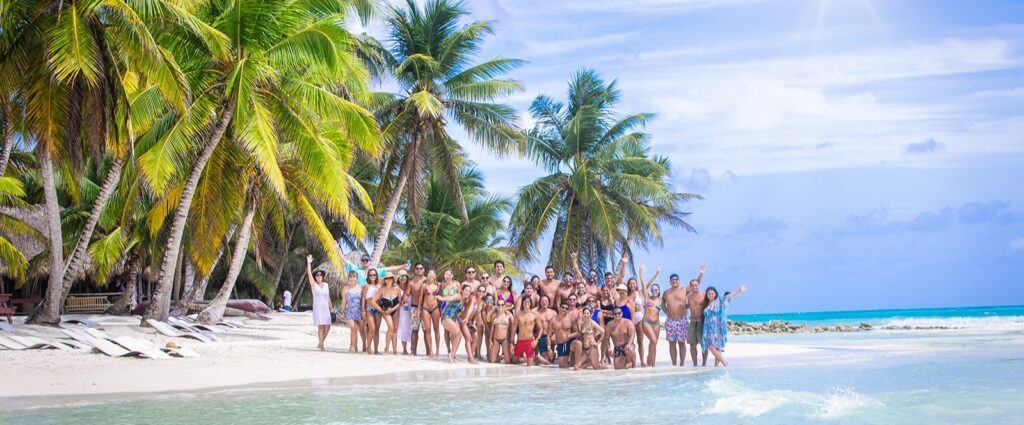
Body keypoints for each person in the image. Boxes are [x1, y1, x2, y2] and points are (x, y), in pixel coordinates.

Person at [663, 265, 704, 366]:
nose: (674, 281)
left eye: (676, 279)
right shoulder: (666, 292)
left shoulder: (684, 289)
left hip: (682, 320)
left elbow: (696, 284)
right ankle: (673, 364)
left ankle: (681, 364)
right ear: (670, 281)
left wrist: (701, 274)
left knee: (682, 343)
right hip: (670, 321)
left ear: (679, 281)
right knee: (672, 343)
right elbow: (662, 303)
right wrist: (666, 311)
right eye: (672, 280)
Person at [702, 284, 748, 367]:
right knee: (715, 347)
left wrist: (740, 290)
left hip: (717, 327)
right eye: (709, 293)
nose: (711, 295)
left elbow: (729, 296)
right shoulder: (706, 303)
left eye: (712, 293)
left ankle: (723, 362)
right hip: (708, 328)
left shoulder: (719, 300)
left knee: (713, 347)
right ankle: (716, 366)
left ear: (715, 294)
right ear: (707, 294)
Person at [336, 242, 408, 286]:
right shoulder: (357, 270)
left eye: (366, 260)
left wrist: (402, 266)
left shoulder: (374, 271)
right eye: (363, 260)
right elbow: (344, 260)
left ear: (370, 262)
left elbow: (389, 268)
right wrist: (337, 250)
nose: (365, 262)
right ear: (361, 262)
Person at [370, 272, 402, 355]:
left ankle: (395, 349)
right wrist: (381, 310)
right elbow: (373, 301)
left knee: (395, 329)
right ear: (384, 280)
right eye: (386, 279)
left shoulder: (397, 288)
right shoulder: (382, 289)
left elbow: (400, 303)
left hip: (395, 310)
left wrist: (392, 310)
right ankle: (387, 347)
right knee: (390, 327)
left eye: (390, 278)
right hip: (385, 311)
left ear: (392, 279)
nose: (388, 280)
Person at [436, 272, 464, 363]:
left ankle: (453, 354)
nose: (447, 276)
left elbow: (453, 298)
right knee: (457, 333)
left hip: (453, 313)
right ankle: (451, 353)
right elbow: (442, 295)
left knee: (456, 335)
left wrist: (441, 298)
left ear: (452, 275)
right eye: (446, 274)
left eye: (449, 274)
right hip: (446, 312)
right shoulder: (442, 284)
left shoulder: (456, 285)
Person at [638, 265, 662, 367]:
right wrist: (641, 273)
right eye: (652, 290)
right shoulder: (647, 298)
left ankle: (653, 364)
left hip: (656, 324)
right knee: (653, 340)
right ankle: (648, 358)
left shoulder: (661, 300)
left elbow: (667, 309)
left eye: (656, 290)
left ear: (659, 290)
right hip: (646, 322)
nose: (654, 291)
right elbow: (644, 285)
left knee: (654, 344)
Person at [305, 255, 331, 351]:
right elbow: (309, 274)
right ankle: (322, 346)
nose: (319, 276)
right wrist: (308, 263)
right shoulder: (314, 285)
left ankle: (321, 342)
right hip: (318, 308)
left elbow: (328, 296)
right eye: (317, 275)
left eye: (320, 275)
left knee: (328, 327)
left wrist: (330, 306)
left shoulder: (326, 285)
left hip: (326, 308)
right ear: (315, 277)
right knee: (320, 327)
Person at [685, 265, 708, 366]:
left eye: (696, 285)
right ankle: (695, 364)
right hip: (692, 322)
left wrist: (702, 273)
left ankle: (703, 364)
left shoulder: (704, 295)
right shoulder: (688, 297)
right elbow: (686, 306)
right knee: (692, 345)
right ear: (690, 286)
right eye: (693, 285)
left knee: (703, 345)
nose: (695, 286)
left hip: (701, 322)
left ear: (698, 285)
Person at [571, 305, 605, 370]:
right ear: (583, 314)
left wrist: (597, 343)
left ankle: (604, 367)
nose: (586, 315)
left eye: (587, 313)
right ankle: (591, 362)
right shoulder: (582, 324)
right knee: (577, 367)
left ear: (590, 314)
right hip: (585, 350)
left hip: (592, 347)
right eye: (585, 313)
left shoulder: (592, 323)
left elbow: (603, 331)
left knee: (596, 368)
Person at [513, 297, 542, 366]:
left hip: (529, 342)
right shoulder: (518, 315)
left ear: (530, 304)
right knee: (514, 361)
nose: (526, 303)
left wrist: (536, 340)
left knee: (530, 366)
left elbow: (540, 328)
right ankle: (533, 358)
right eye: (525, 302)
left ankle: (536, 360)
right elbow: (514, 329)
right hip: (520, 341)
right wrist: (512, 343)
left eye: (528, 302)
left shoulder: (534, 315)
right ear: (522, 304)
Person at [420, 269, 442, 358]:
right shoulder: (424, 286)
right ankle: (431, 351)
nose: (431, 276)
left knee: (436, 329)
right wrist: (418, 310)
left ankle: (437, 350)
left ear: (435, 276)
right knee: (428, 330)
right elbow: (420, 299)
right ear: (427, 276)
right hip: (425, 309)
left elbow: (442, 297)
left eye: (433, 275)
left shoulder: (439, 286)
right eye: (429, 274)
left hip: (435, 309)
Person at [340, 271, 363, 352]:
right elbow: (344, 301)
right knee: (353, 327)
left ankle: (354, 346)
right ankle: (352, 345)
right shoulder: (345, 289)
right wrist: (342, 311)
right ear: (348, 278)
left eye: (354, 277)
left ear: (357, 278)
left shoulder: (361, 288)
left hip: (358, 311)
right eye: (351, 277)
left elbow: (363, 300)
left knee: (356, 329)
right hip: (349, 311)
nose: (352, 279)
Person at [550, 302, 579, 368]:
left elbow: (577, 332)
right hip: (561, 344)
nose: (564, 309)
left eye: (566, 308)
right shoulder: (553, 320)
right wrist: (549, 348)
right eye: (563, 307)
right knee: (563, 366)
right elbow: (549, 335)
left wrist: (569, 336)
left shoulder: (571, 318)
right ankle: (571, 362)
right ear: (559, 308)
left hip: (570, 341)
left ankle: (577, 365)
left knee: (578, 343)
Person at [458, 284, 481, 364]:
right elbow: (469, 308)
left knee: (476, 338)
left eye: (469, 290)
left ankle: (470, 356)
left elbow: (474, 310)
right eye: (466, 290)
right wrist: (466, 318)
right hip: (463, 320)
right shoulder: (464, 298)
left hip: (470, 321)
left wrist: (473, 322)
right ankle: (471, 358)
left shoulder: (476, 299)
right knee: (468, 337)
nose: (467, 292)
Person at [408, 263, 427, 355]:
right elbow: (406, 295)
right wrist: (404, 309)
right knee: (414, 330)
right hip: (414, 308)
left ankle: (428, 351)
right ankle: (413, 351)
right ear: (415, 270)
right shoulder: (411, 282)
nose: (419, 270)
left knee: (426, 330)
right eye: (417, 268)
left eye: (421, 268)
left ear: (424, 270)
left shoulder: (428, 280)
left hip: (426, 309)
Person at [361, 272, 382, 354]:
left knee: (377, 330)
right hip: (369, 309)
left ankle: (376, 350)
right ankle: (369, 348)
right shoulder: (367, 286)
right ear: (368, 277)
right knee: (372, 329)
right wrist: (363, 309)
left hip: (377, 309)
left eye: (374, 275)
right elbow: (363, 298)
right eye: (370, 275)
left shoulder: (380, 286)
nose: (372, 276)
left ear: (376, 276)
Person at [490, 297, 513, 363]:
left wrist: (511, 341)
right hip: (496, 339)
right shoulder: (494, 315)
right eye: (499, 305)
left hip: (505, 339)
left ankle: (505, 356)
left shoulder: (508, 314)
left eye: (502, 305)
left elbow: (514, 326)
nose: (500, 306)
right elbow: (492, 328)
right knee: (492, 361)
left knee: (508, 362)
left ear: (504, 305)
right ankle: (501, 357)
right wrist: (490, 340)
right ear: (496, 306)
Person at [397, 271, 413, 354]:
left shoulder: (410, 286)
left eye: (404, 276)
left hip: (411, 309)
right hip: (402, 311)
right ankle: (404, 349)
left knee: (412, 329)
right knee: (403, 328)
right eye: (401, 276)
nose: (403, 278)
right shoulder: (396, 287)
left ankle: (412, 347)